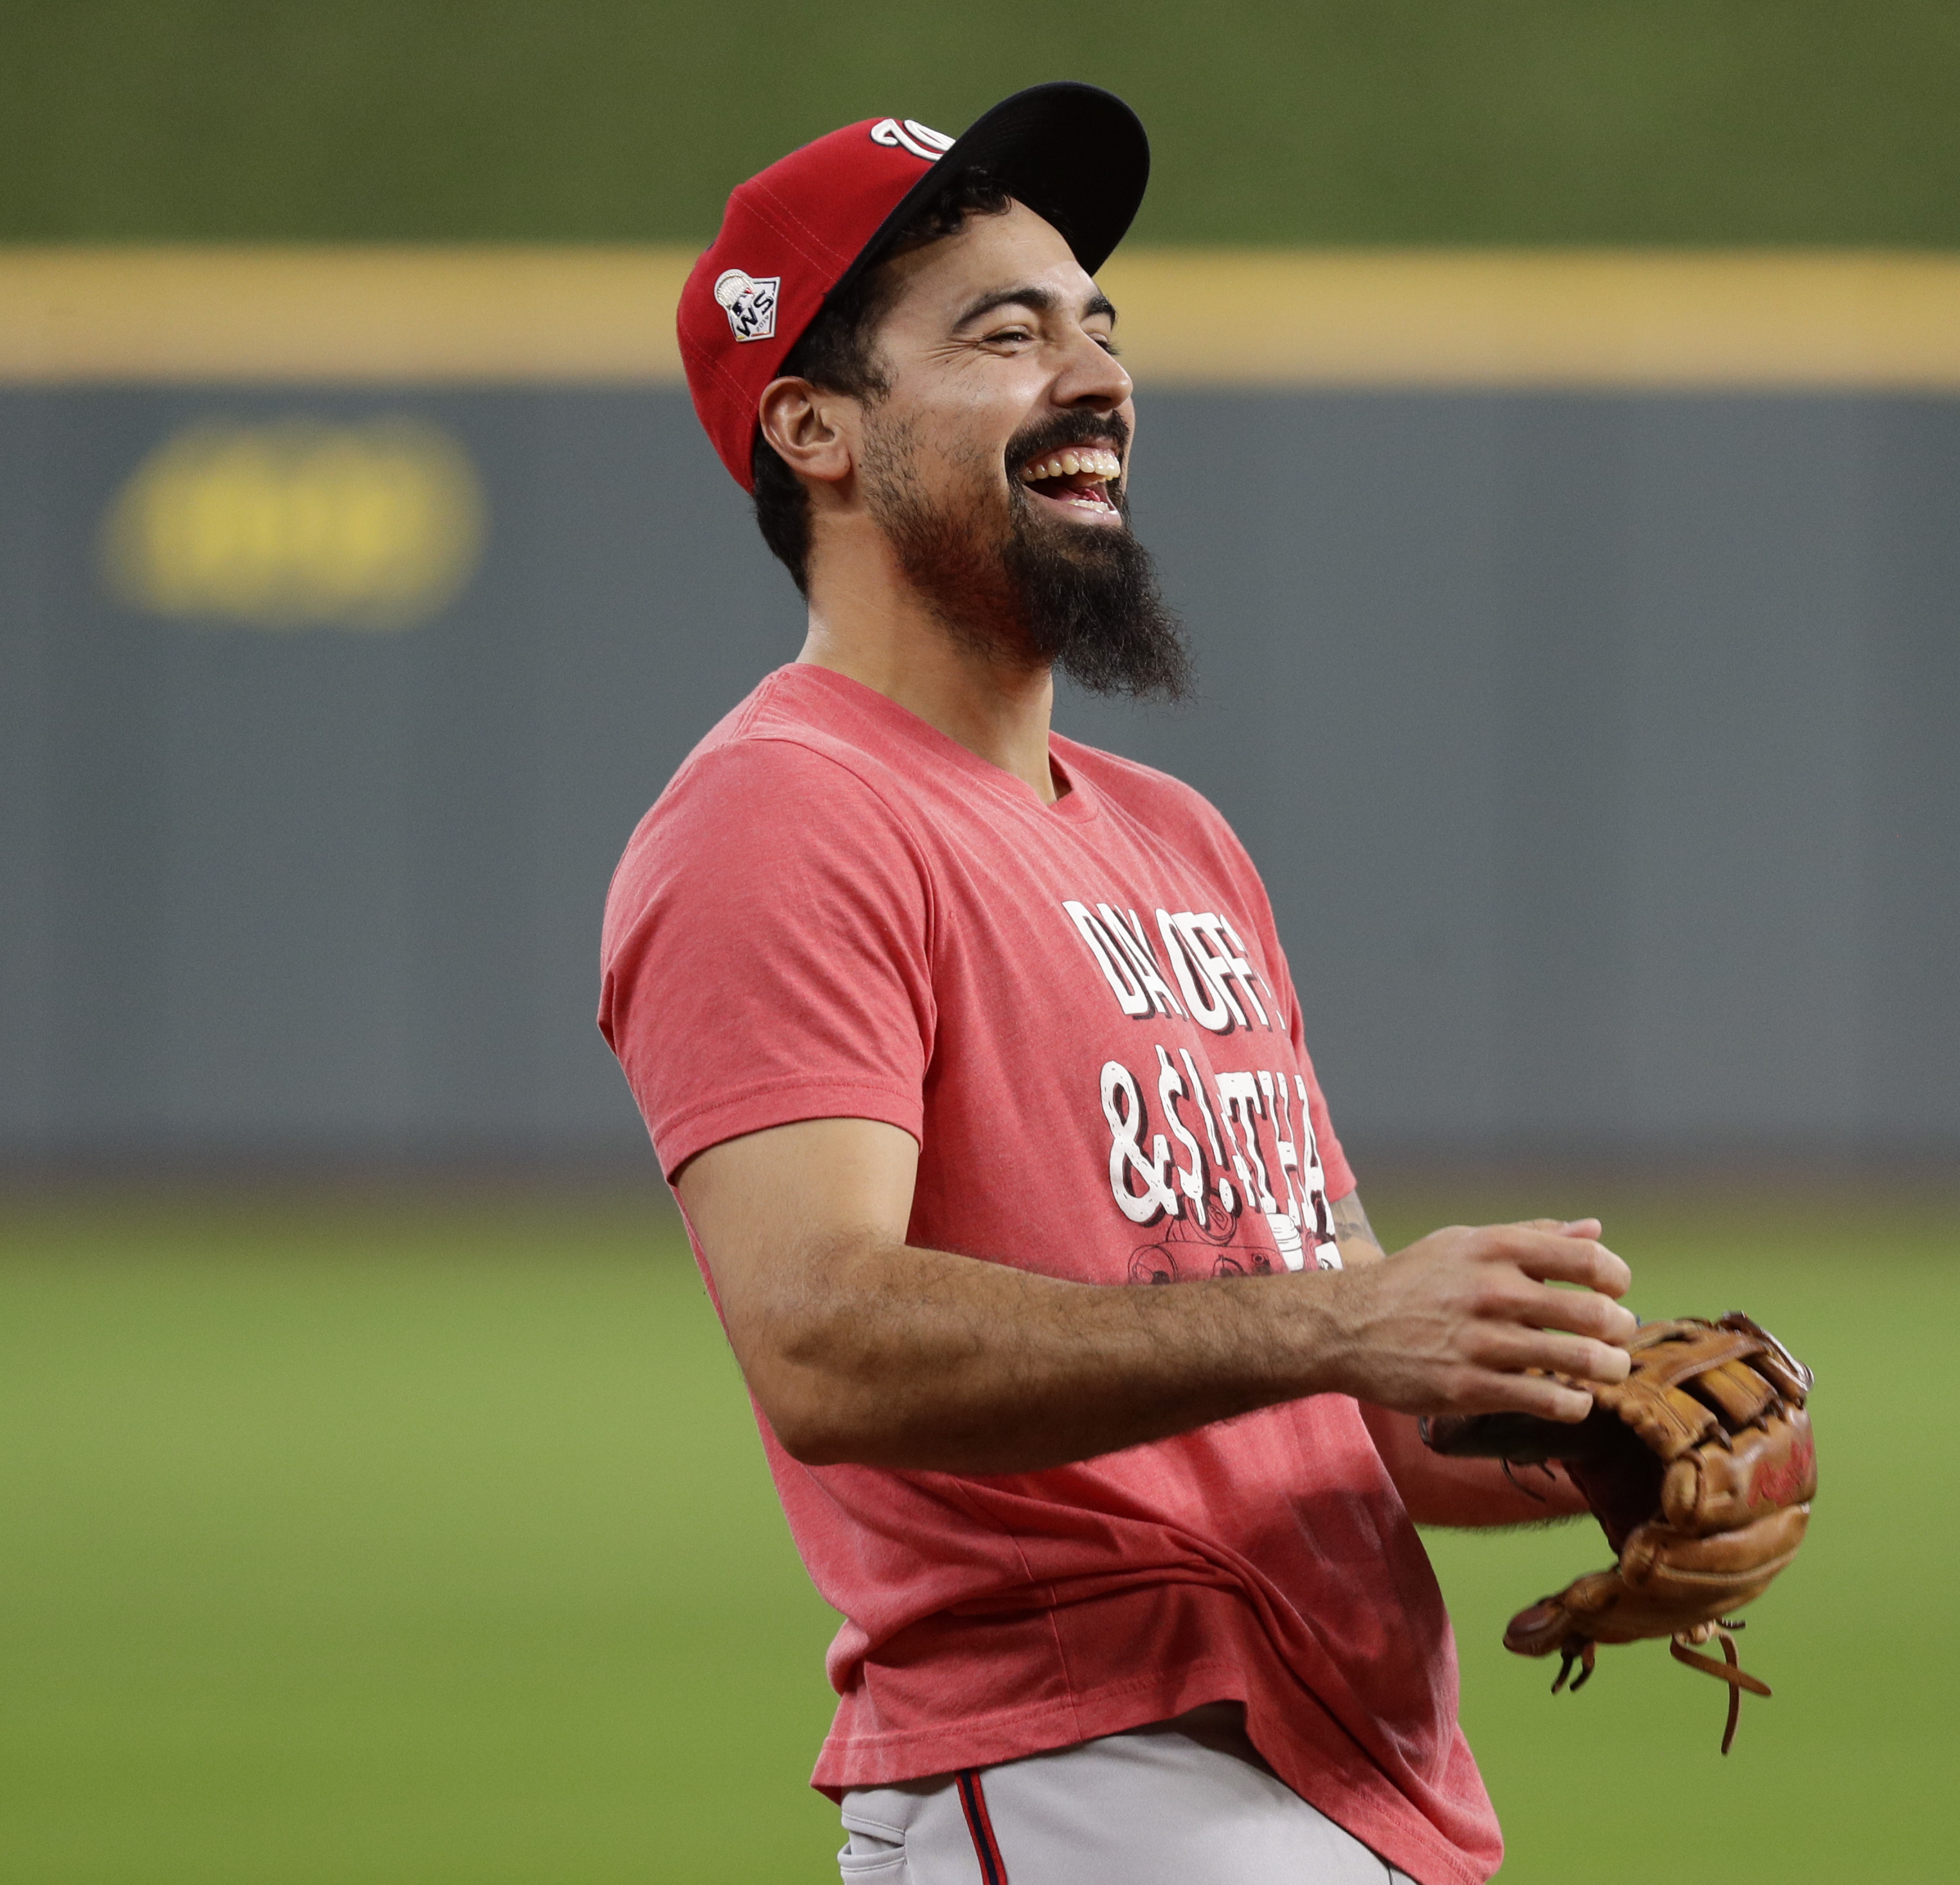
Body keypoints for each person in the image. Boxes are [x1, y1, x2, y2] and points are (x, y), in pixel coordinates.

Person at [598, 85, 1634, 1885]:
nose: (1096, 378)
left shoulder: (1177, 838)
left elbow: (1370, 1408)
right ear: (814, 427)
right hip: (1088, 1762)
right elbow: (821, 1337)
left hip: (1338, 1760)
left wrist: (1599, 1440)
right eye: (1005, 336)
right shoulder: (781, 811)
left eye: (1099, 326)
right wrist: (1342, 1323)